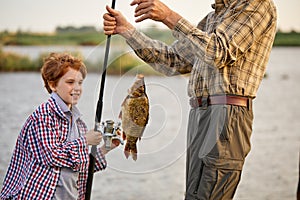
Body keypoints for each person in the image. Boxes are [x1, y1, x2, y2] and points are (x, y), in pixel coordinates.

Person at [103, 0, 277, 199]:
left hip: (227, 114)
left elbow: (218, 52)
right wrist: (127, 31)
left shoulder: (256, 4)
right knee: (194, 196)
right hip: (199, 114)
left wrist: (169, 16)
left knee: (209, 194)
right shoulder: (214, 17)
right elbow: (173, 60)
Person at [0, 52, 119, 200]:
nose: (77, 88)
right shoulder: (44, 116)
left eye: (80, 82)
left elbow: (77, 168)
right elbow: (52, 156)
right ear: (52, 85)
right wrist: (85, 141)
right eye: (70, 82)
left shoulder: (78, 124)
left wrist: (105, 148)